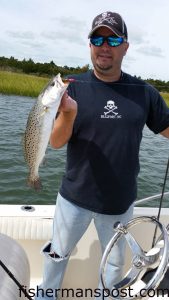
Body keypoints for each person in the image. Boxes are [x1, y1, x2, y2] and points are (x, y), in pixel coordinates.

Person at [35, 11, 169, 300]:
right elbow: (56, 142)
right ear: (90, 45)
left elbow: (167, 129)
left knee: (113, 265)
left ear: (125, 46)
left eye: (113, 38)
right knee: (56, 256)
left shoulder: (144, 92)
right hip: (73, 199)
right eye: (98, 38)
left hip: (119, 204)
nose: (104, 45)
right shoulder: (72, 88)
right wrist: (68, 113)